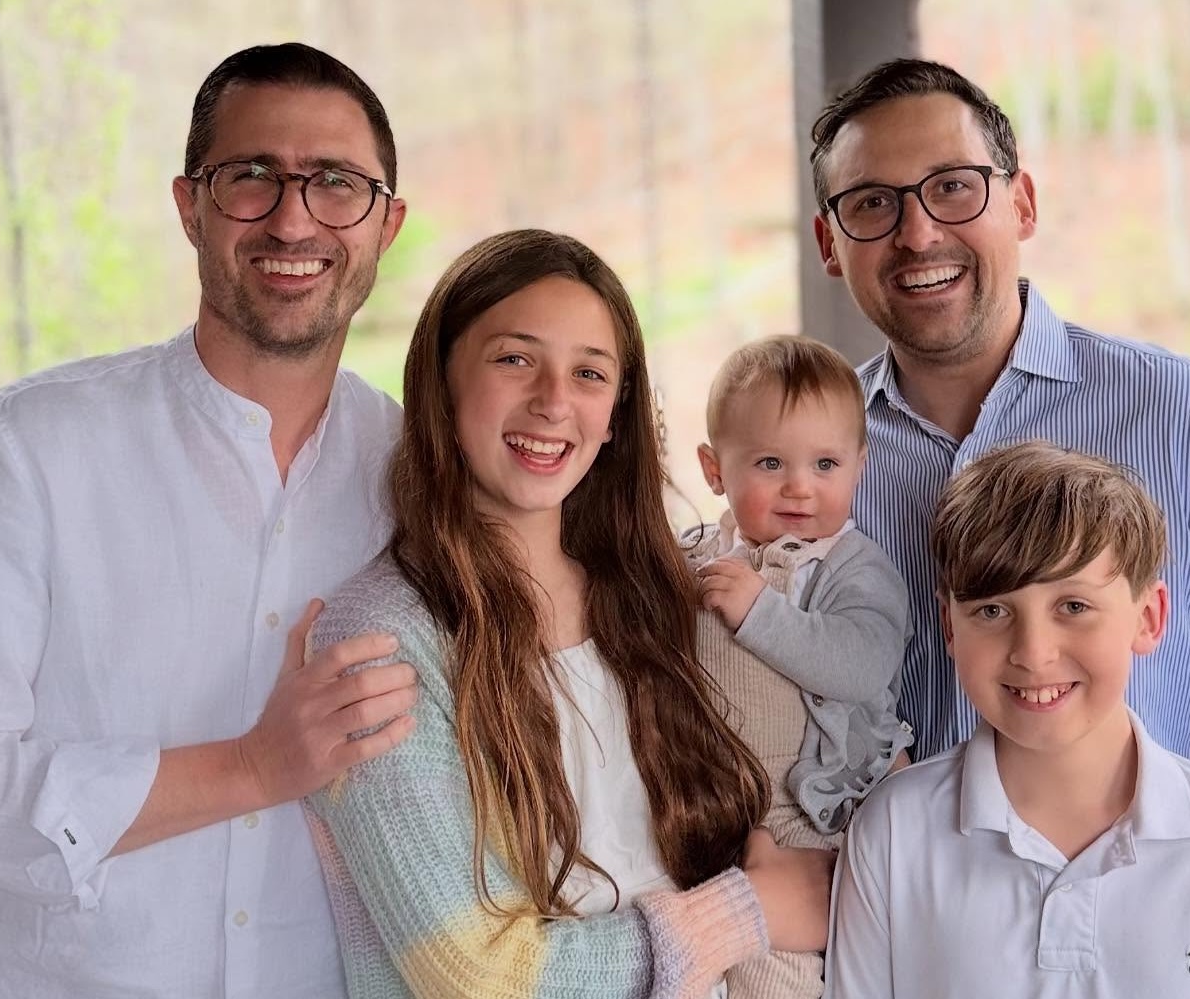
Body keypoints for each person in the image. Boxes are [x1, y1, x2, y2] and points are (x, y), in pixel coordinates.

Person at [809, 57, 1190, 984]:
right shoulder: (810, 467)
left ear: (1020, 203)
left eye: (952, 188)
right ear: (829, 242)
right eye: (873, 204)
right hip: (906, 933)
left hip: (1169, 929)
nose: (917, 232)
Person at [0, 43, 420, 997]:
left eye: (337, 183)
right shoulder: (26, 451)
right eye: (252, 177)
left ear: (387, 223)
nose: (294, 217)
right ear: (189, 206)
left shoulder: (419, 477)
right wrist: (248, 767)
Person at [304, 229, 835, 999]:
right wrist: (744, 913)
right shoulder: (382, 637)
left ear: (616, 413)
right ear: (443, 380)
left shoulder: (652, 598)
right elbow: (477, 974)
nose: (554, 402)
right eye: (515, 358)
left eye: (589, 372)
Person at [825, 440, 1190, 998]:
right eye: (992, 611)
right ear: (949, 626)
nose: (1033, 653)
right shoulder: (894, 832)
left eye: (1074, 607)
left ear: (1149, 617)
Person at [683, 334, 912, 998]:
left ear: (860, 466)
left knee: (773, 963)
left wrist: (761, 612)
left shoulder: (853, 567)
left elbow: (861, 665)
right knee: (691, 963)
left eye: (826, 463)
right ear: (713, 469)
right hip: (707, 803)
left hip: (810, 807)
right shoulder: (695, 554)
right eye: (770, 462)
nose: (800, 487)